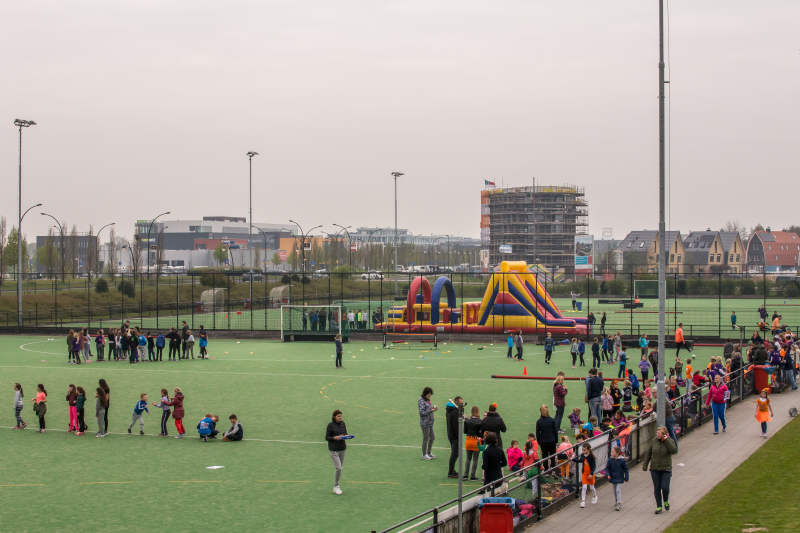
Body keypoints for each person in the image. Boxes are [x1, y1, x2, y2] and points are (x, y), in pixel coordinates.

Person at [642, 426, 677, 514]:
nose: (657, 435)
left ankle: (666, 500)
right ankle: (659, 506)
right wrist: (645, 465)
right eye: (657, 433)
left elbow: (673, 450)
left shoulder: (670, 441)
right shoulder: (654, 441)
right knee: (657, 488)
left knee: (664, 487)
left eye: (659, 433)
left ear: (664, 434)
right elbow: (648, 454)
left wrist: (667, 440)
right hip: (655, 469)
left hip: (666, 469)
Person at [326, 409, 348, 495]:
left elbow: (345, 433)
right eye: (338, 416)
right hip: (334, 450)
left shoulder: (343, 424)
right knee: (338, 468)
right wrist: (335, 438)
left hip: (342, 449)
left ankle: (336, 485)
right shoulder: (330, 425)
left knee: (340, 469)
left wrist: (346, 436)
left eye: (341, 416)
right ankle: (336, 486)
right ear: (334, 417)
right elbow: (327, 438)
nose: (340, 418)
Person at [652, 386, 678, 451]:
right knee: (669, 433)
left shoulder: (660, 399)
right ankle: (672, 448)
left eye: (654, 393)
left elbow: (654, 408)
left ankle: (675, 448)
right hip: (669, 417)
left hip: (668, 418)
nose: (653, 394)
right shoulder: (662, 397)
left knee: (670, 434)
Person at [572, 442, 597, 507]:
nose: (583, 451)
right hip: (584, 474)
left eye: (584, 450)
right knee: (584, 487)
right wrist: (573, 459)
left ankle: (594, 496)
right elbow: (580, 460)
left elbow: (594, 466)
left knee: (592, 487)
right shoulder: (582, 455)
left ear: (588, 450)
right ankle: (583, 501)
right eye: (582, 449)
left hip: (590, 474)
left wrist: (591, 474)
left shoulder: (591, 457)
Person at [446, 397, 464, 478]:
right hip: (455, 436)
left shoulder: (449, 411)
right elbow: (456, 426)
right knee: (454, 454)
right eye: (460, 403)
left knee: (454, 454)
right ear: (456, 403)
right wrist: (459, 438)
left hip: (450, 435)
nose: (462, 405)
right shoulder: (455, 412)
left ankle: (452, 471)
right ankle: (451, 472)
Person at [535, 405, 558, 470]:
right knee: (552, 456)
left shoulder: (539, 421)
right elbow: (555, 431)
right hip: (552, 441)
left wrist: (539, 442)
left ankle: (546, 470)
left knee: (545, 457)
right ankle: (553, 469)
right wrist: (556, 441)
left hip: (543, 441)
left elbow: (537, 433)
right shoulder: (552, 420)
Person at [606, 445, 629, 511]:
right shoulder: (610, 460)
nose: (611, 453)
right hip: (612, 477)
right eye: (611, 452)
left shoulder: (622, 460)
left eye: (613, 452)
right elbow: (607, 468)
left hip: (619, 477)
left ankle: (619, 503)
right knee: (614, 490)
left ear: (617, 453)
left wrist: (626, 477)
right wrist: (607, 474)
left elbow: (626, 469)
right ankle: (616, 500)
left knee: (618, 490)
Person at [463, 406, 482, 481]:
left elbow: (465, 432)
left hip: (468, 440)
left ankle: (465, 475)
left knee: (468, 458)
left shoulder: (467, 420)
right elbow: (481, 433)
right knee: (475, 459)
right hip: (476, 441)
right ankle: (472, 476)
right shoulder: (480, 421)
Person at [418, 386, 437, 460]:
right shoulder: (421, 401)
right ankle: (424, 454)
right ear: (425, 394)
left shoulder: (428, 400)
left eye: (430, 394)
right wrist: (431, 410)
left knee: (432, 437)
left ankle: (429, 452)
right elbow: (422, 413)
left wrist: (433, 407)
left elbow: (429, 408)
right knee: (426, 438)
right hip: (425, 423)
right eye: (429, 394)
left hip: (430, 422)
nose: (430, 395)